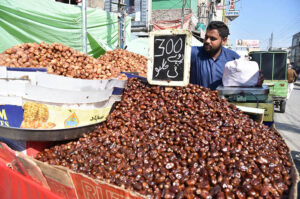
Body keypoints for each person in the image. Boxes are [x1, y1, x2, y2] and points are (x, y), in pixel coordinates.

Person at [190, 21, 263, 90]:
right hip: (198, 102)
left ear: (224, 41)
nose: (207, 41)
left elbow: (244, 79)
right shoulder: (194, 53)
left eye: (213, 39)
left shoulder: (233, 58)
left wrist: (255, 80)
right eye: (206, 37)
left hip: (223, 101)